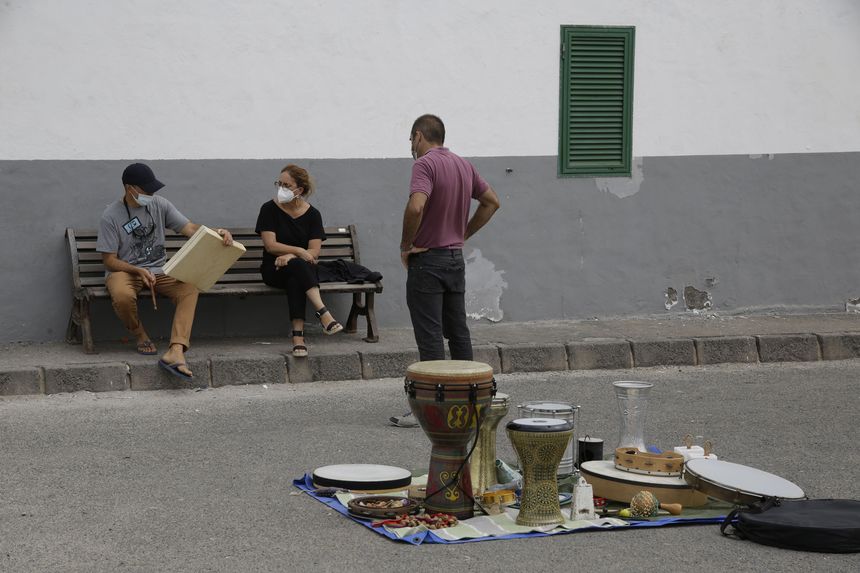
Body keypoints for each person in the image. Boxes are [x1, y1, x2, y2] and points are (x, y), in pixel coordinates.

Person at [391, 114, 501, 427]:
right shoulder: (463, 165)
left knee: (430, 337)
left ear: (418, 136)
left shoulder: (424, 164)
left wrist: (406, 245)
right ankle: (470, 401)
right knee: (458, 332)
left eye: (411, 140)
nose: (411, 146)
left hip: (428, 261)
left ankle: (431, 410)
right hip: (454, 258)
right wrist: (463, 234)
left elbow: (415, 206)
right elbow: (491, 202)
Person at [96, 162, 233, 380]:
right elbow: (109, 260)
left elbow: (188, 228)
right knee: (122, 295)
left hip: (160, 269)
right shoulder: (111, 216)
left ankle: (176, 350)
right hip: (126, 270)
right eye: (146, 190)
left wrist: (214, 232)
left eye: (152, 190)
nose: (151, 193)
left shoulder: (160, 205)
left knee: (189, 288)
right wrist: (137, 270)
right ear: (129, 188)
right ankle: (140, 335)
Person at [255, 164, 343, 357]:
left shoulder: (313, 215)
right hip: (273, 270)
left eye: (287, 185)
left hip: (300, 270)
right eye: (279, 183)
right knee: (298, 267)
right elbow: (270, 246)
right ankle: (323, 314)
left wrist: (291, 256)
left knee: (296, 276)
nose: (281, 188)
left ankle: (298, 338)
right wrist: (297, 250)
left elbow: (314, 252)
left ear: (299, 190)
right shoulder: (269, 209)